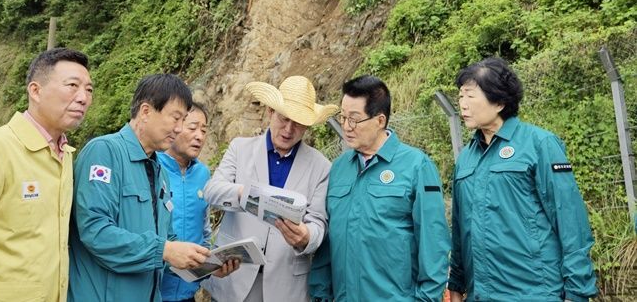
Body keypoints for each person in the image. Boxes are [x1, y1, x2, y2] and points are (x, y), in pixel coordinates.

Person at [68, 73, 237, 302]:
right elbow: (95, 231)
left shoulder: (159, 172)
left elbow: (166, 251)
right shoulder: (104, 152)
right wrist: (164, 250)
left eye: (183, 120)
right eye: (175, 118)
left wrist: (206, 267)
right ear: (146, 111)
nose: (179, 129)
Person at [449, 57, 597, 302]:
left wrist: (577, 291)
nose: (462, 105)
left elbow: (570, 221)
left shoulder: (539, 144)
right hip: (481, 294)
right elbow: (459, 228)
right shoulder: (465, 159)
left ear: (498, 101)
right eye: (460, 97)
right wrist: (456, 282)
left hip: (536, 292)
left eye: (470, 96)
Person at [308, 74, 450, 302]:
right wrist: (320, 294)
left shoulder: (416, 166)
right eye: (342, 117)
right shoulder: (338, 169)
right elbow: (328, 241)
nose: (346, 126)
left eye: (354, 119)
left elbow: (434, 243)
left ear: (380, 120)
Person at [0, 47, 93, 302]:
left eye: (89, 89)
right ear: (35, 91)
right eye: (72, 85)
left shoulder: (66, 155)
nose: (83, 97)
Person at [203, 75, 338, 302]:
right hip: (234, 276)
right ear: (270, 112)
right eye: (284, 119)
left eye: (298, 124)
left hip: (286, 286)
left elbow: (318, 223)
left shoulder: (321, 166)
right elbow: (212, 191)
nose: (288, 129)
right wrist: (242, 193)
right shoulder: (240, 148)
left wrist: (306, 237)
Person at [158, 102, 213, 302]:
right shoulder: (152, 165)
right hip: (151, 292)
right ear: (176, 126)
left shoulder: (203, 174)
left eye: (204, 130)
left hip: (188, 294)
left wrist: (212, 264)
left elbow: (205, 230)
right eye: (192, 128)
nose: (199, 136)